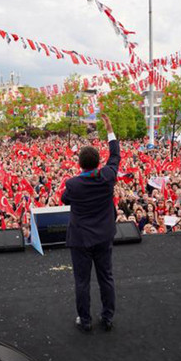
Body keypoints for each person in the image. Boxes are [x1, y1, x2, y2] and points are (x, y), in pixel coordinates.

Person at [62, 114, 120, 333]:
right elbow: (115, 156)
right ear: (98, 162)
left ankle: (85, 320)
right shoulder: (107, 176)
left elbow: (65, 199)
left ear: (79, 164)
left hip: (80, 239)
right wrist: (109, 129)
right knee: (106, 278)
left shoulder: (73, 184)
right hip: (104, 236)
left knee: (82, 282)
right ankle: (107, 317)